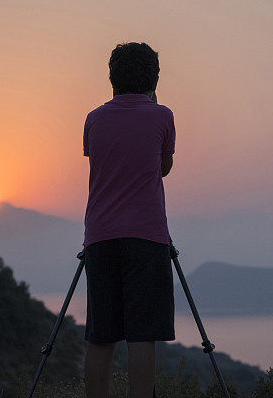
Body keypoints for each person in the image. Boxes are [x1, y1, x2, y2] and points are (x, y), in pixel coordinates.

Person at [82, 42, 176, 398]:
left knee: (100, 333)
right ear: (154, 78)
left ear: (112, 78)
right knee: (142, 334)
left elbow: (100, 161)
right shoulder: (162, 115)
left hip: (100, 236)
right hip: (147, 236)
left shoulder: (94, 118)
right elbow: (162, 167)